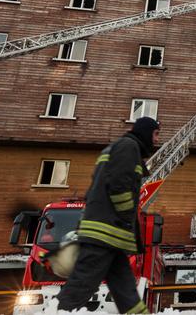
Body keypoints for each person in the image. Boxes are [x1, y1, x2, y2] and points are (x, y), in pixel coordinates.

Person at [57, 117, 160, 313]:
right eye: (155, 134)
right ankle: (61, 311)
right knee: (82, 285)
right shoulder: (128, 147)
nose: (156, 140)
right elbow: (119, 185)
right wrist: (127, 216)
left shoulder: (117, 148)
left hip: (111, 237)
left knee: (126, 291)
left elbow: (95, 189)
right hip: (104, 234)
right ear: (145, 132)